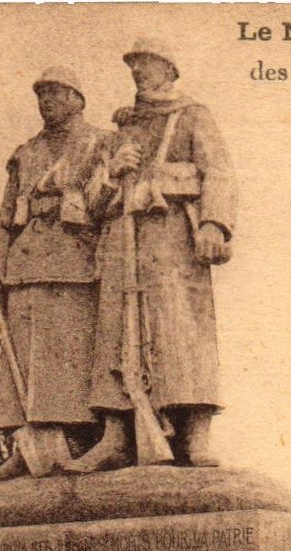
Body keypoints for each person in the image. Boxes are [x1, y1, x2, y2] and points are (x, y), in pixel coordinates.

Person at [68, 39, 237, 472]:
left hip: (174, 239)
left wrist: (214, 224)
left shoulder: (194, 116)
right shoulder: (120, 128)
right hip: (123, 240)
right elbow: (91, 206)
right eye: (133, 67)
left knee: (181, 329)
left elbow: (219, 171)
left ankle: (195, 434)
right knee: (115, 332)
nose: (138, 73)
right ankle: (117, 437)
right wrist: (111, 173)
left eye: (146, 65)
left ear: (169, 69)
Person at [0, 68, 112, 483]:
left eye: (55, 93)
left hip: (76, 262)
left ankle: (76, 446)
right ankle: (28, 448)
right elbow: (5, 220)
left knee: (68, 360)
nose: (46, 101)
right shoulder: (26, 152)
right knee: (22, 359)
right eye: (41, 94)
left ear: (78, 98)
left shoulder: (100, 142)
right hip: (25, 263)